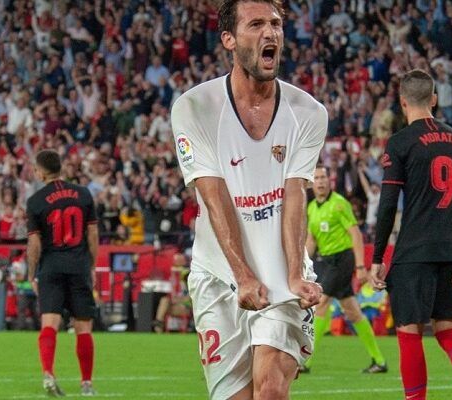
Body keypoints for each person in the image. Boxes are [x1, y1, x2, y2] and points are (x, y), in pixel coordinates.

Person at [170, 0, 326, 398]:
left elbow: (295, 195)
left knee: (271, 387)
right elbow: (213, 196)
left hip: (281, 271)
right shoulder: (194, 107)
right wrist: (242, 274)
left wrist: (294, 273)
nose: (270, 33)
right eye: (255, 24)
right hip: (218, 274)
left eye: (275, 24)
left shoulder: (308, 112)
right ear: (229, 39)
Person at [370, 69, 452, 400]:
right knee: (448, 330)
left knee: (409, 333)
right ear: (434, 100)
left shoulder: (399, 143)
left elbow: (388, 205)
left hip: (414, 251)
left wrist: (378, 257)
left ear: (402, 102)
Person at [26, 150, 99, 397]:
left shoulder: (36, 201)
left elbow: (34, 243)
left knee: (50, 324)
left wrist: (31, 273)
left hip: (51, 268)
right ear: (60, 168)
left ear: (40, 171)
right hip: (78, 266)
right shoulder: (83, 194)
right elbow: (92, 235)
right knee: (83, 327)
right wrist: (92, 265)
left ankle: (48, 374)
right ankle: (86, 384)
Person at [301, 165, 387, 373]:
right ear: (312, 183)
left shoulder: (339, 204)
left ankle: (306, 361)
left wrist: (360, 266)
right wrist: (304, 264)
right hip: (327, 261)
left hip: (343, 259)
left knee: (320, 305)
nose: (320, 182)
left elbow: (355, 234)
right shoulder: (312, 208)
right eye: (317, 178)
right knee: (352, 310)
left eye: (323, 177)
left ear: (329, 181)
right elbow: (312, 240)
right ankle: (379, 360)